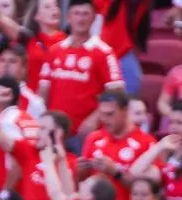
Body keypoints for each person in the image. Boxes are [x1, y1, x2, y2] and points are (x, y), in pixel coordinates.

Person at [37, 0, 124, 149]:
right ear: (68, 17)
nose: (80, 18)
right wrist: (41, 121)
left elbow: (117, 92)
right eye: (76, 14)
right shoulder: (54, 51)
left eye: (85, 14)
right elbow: (43, 89)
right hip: (53, 130)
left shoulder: (104, 52)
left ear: (94, 18)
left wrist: (94, 119)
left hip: (84, 134)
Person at [80, 90, 158, 200]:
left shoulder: (147, 143)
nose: (104, 119)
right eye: (101, 114)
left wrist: (116, 172)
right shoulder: (93, 138)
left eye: (110, 114)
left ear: (125, 111)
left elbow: (151, 190)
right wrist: (81, 170)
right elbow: (81, 181)